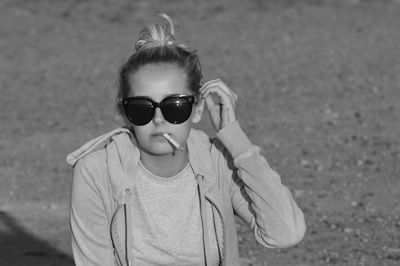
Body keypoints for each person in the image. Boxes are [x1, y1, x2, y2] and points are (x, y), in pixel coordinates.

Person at [66, 14, 306, 266]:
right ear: (124, 113)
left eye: (176, 106)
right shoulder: (98, 171)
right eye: (141, 108)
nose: (159, 120)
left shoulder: (217, 162)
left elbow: (285, 233)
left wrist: (235, 137)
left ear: (198, 108)